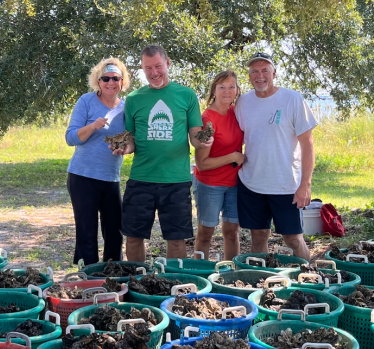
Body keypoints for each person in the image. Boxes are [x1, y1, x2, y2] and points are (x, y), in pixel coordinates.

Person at [111, 44, 211, 261]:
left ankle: (176, 285)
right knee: (134, 237)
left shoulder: (186, 95)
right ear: (142, 69)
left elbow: (195, 135)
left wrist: (203, 140)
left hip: (176, 180)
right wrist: (126, 147)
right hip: (141, 179)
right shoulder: (135, 99)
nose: (154, 73)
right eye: (148, 68)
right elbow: (132, 138)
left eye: (158, 66)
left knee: (176, 239)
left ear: (168, 64)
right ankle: (137, 281)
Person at [234, 51, 318, 260]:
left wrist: (305, 184)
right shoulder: (243, 102)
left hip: (286, 185)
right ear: (249, 75)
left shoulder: (293, 99)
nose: (259, 76)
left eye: (265, 70)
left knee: (293, 239)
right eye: (254, 71)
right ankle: (258, 282)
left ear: (274, 72)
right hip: (252, 182)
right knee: (258, 236)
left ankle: (309, 280)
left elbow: (307, 145)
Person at [64, 58, 131, 265]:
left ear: (122, 81)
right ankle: (87, 280)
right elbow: (70, 137)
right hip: (82, 177)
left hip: (110, 178)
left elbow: (130, 138)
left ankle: (112, 277)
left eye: (116, 78)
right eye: (106, 78)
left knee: (115, 232)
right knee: (87, 232)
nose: (111, 82)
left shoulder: (127, 107)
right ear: (98, 81)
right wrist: (93, 126)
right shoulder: (86, 101)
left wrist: (124, 147)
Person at [193, 70, 245, 261]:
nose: (227, 91)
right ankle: (199, 272)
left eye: (231, 86)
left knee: (232, 231)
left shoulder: (237, 113)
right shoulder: (208, 120)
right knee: (206, 233)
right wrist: (232, 156)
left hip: (234, 183)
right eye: (222, 87)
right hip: (210, 184)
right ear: (214, 90)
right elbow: (202, 163)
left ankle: (231, 272)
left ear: (237, 90)